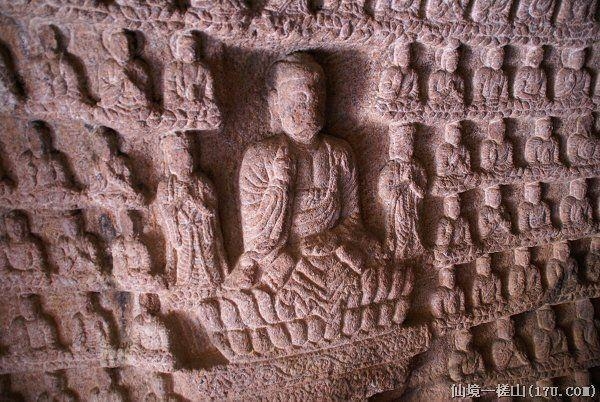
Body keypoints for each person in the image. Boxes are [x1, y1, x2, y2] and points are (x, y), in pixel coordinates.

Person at [154, 132, 227, 287]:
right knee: (184, 266)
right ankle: (184, 287)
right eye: (178, 156)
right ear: (170, 160)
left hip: (202, 232)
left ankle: (213, 283)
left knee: (209, 263)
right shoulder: (165, 187)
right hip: (182, 234)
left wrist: (194, 200)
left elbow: (212, 211)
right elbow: (167, 214)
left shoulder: (202, 182)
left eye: (188, 155)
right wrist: (180, 199)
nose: (186, 160)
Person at [378, 123, 426, 260]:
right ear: (396, 144)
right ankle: (400, 259)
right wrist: (403, 183)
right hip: (398, 211)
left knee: (415, 234)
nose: (409, 147)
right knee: (401, 238)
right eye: (405, 142)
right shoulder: (390, 168)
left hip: (414, 210)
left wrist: (412, 183)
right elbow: (384, 193)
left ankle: (417, 258)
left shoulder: (417, 166)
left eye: (411, 142)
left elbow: (422, 193)